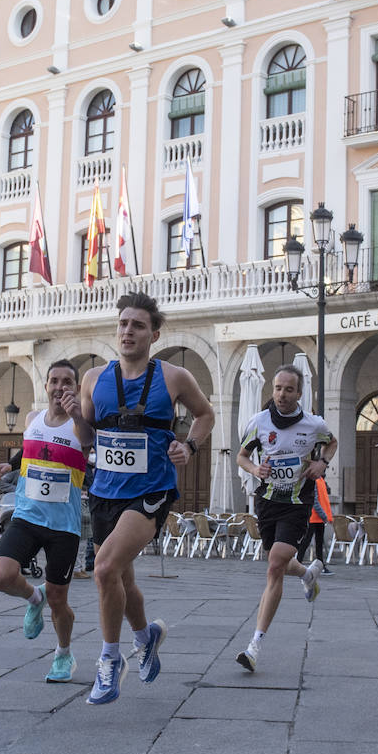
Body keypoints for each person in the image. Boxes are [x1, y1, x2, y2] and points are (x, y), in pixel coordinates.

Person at [80, 292, 215, 704]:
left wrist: (188, 447)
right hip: (104, 491)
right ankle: (147, 635)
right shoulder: (93, 379)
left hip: (152, 491)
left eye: (137, 325)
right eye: (123, 323)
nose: (127, 331)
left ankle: (110, 660)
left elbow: (206, 415)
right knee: (121, 577)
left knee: (103, 570)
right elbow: (88, 436)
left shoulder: (174, 377)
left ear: (154, 334)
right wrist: (71, 416)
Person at [0, 360, 93, 683]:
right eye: (54, 380)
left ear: (75, 388)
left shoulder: (81, 425)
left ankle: (63, 654)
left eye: (67, 381)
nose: (60, 386)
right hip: (27, 516)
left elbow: (87, 438)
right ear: (46, 386)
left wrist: (77, 413)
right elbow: (33, 450)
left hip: (63, 525)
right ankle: (34, 598)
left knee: (60, 599)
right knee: (0, 575)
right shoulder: (32, 419)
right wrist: (11, 465)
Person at [234, 366, 337, 672]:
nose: (281, 394)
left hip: (297, 502)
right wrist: (254, 470)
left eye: (288, 389)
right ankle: (307, 574)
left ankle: (254, 645)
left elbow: (331, 442)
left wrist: (322, 463)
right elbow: (241, 456)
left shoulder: (313, 424)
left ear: (299, 393)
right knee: (277, 561)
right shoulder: (259, 422)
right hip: (267, 501)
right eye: (278, 388)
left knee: (275, 564)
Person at [297, 477, 335, 574]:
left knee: (318, 542)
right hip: (313, 517)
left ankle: (320, 565)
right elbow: (315, 501)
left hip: (318, 517)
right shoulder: (315, 481)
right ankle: (297, 562)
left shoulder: (321, 480)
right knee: (307, 541)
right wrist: (325, 516)